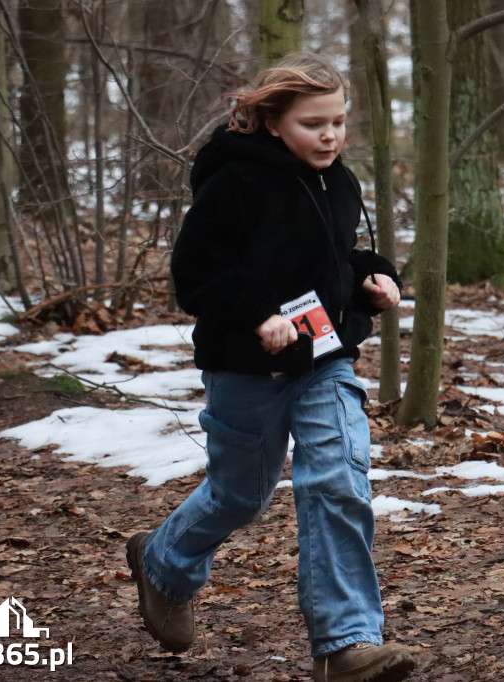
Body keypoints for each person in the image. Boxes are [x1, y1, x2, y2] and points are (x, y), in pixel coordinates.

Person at [126, 53, 415, 682]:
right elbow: (196, 271)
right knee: (239, 495)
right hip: (245, 368)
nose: (332, 136)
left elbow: (335, 258)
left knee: (338, 478)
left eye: (339, 122)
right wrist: (257, 315)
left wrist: (376, 279)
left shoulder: (339, 181)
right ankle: (163, 566)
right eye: (315, 124)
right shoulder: (234, 182)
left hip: (323, 359)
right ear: (273, 121)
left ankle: (347, 644)